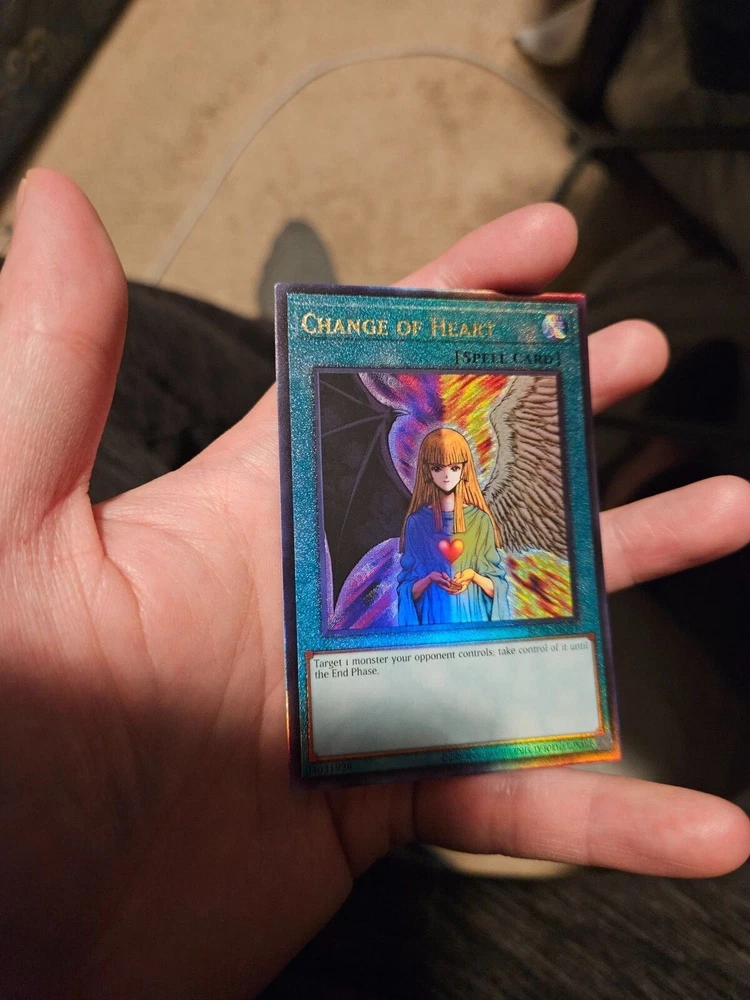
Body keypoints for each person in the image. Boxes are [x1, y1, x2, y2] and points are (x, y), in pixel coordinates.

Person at [0, 169, 748, 999]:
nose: (452, 480)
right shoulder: (401, 540)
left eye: (462, 466)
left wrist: (479, 575)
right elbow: (391, 591)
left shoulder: (483, 524)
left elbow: (498, 573)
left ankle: (264, 354)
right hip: (387, 711)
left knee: (181, 355)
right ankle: (267, 357)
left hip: (472, 657)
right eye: (439, 466)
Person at [397, 427, 510, 624]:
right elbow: (407, 591)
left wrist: (473, 576)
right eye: (437, 468)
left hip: (474, 621)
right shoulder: (416, 523)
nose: (446, 475)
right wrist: (430, 578)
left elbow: (497, 587)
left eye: (454, 468)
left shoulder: (480, 520)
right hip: (432, 621)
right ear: (427, 470)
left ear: (464, 469)